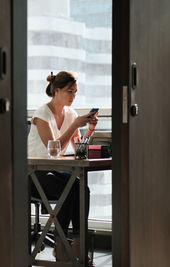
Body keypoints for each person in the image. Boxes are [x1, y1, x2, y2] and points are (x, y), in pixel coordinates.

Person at [28, 71, 98, 262]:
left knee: (81, 187)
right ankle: (62, 245)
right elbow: (53, 149)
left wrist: (89, 130)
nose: (73, 96)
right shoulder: (42, 114)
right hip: (34, 174)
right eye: (69, 92)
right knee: (71, 187)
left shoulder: (71, 114)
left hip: (55, 173)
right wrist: (74, 125)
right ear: (56, 91)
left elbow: (78, 148)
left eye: (75, 92)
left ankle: (76, 242)